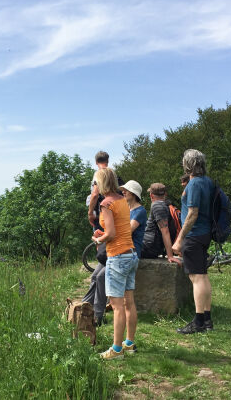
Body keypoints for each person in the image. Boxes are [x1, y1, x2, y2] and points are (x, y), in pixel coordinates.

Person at [92, 167, 138, 358]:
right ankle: (129, 343)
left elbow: (111, 234)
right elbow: (118, 229)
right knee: (129, 302)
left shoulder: (106, 204)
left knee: (117, 305)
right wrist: (105, 235)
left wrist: (98, 239)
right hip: (131, 254)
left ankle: (116, 349)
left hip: (117, 257)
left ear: (101, 183)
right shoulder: (122, 200)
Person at [172, 149, 214, 333]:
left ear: (188, 164)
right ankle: (207, 320)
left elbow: (192, 214)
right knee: (202, 275)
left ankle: (198, 322)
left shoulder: (195, 184)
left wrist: (180, 239)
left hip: (194, 235)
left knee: (196, 277)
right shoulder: (208, 182)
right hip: (205, 233)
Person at [81, 151, 111, 325]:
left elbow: (94, 194)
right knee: (99, 271)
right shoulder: (112, 173)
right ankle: (90, 304)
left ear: (96, 161)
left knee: (102, 259)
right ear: (107, 160)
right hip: (110, 218)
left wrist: (90, 212)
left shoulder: (98, 174)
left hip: (102, 217)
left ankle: (98, 308)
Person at [139, 183, 180, 262]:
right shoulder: (163, 205)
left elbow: (165, 231)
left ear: (151, 195)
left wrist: (170, 256)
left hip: (149, 247)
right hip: (150, 245)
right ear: (165, 194)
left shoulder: (157, 206)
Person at [121, 180, 147, 256]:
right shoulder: (125, 209)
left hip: (131, 251)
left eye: (126, 190)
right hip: (121, 248)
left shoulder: (140, 211)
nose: (123, 192)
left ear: (133, 193)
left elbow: (127, 231)